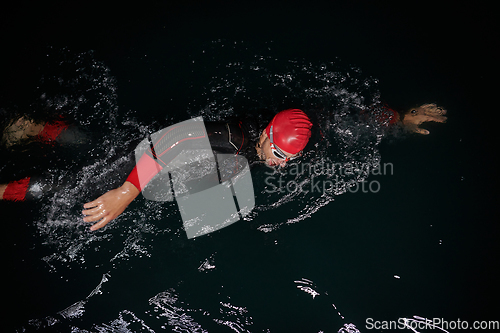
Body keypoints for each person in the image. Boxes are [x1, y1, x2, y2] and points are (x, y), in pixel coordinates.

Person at [1, 104, 447, 231]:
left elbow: (350, 118)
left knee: (100, 147)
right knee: (82, 186)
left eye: (290, 160)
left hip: (189, 157)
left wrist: (400, 118)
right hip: (167, 145)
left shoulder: (300, 135)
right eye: (278, 153)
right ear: (266, 134)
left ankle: (38, 127)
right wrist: (127, 192)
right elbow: (168, 143)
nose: (281, 164)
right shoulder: (230, 139)